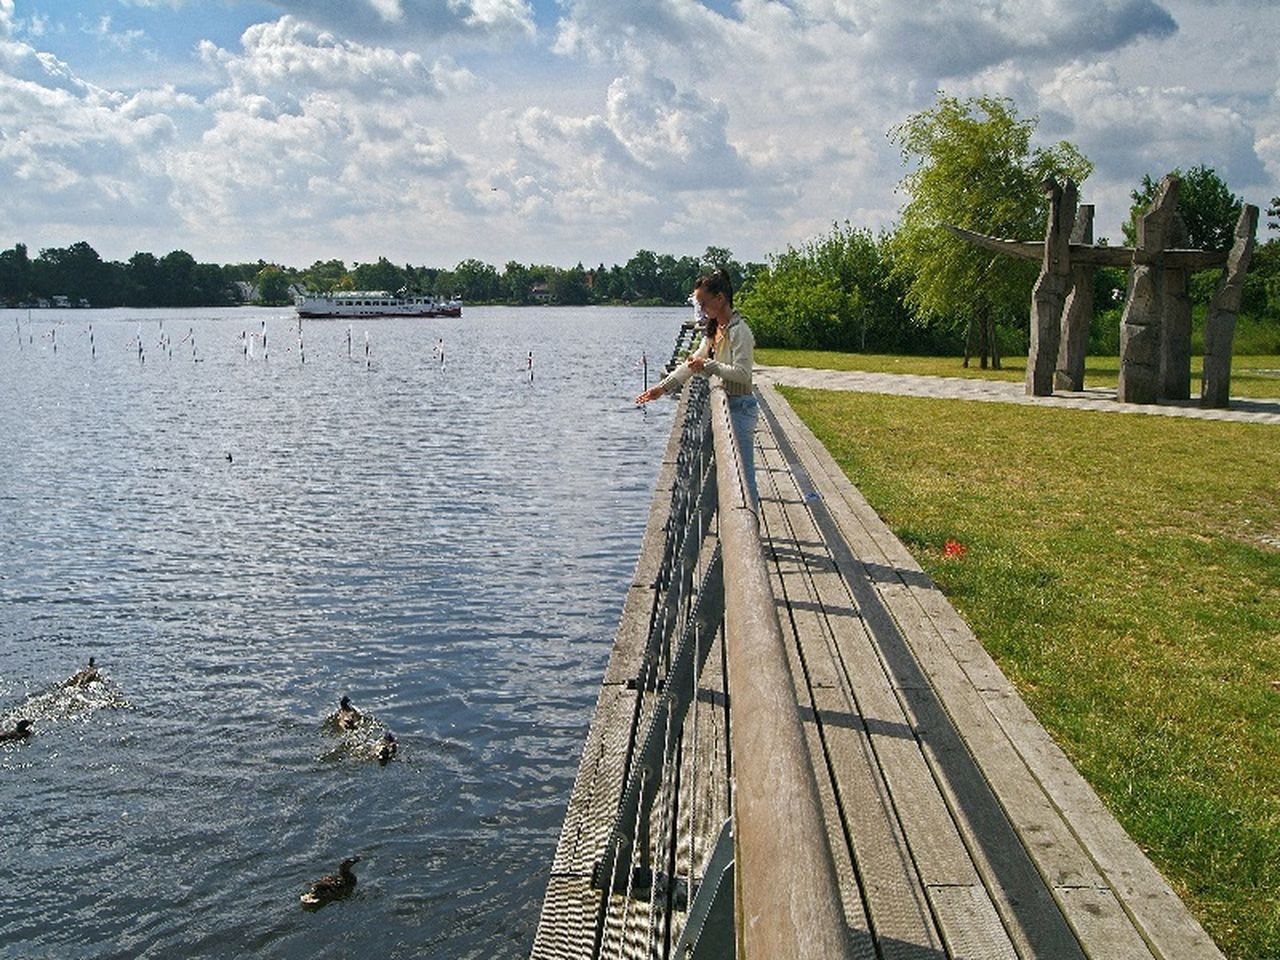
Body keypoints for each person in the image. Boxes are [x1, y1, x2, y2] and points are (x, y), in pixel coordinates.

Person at [635, 269, 759, 505]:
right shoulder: (715, 330)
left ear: (720, 298)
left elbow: (743, 376)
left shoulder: (739, 331)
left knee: (744, 475)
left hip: (741, 409)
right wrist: (661, 389)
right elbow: (692, 364)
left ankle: (750, 529)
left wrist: (709, 365)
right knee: (730, 474)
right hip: (725, 408)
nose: (701, 309)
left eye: (703, 303)